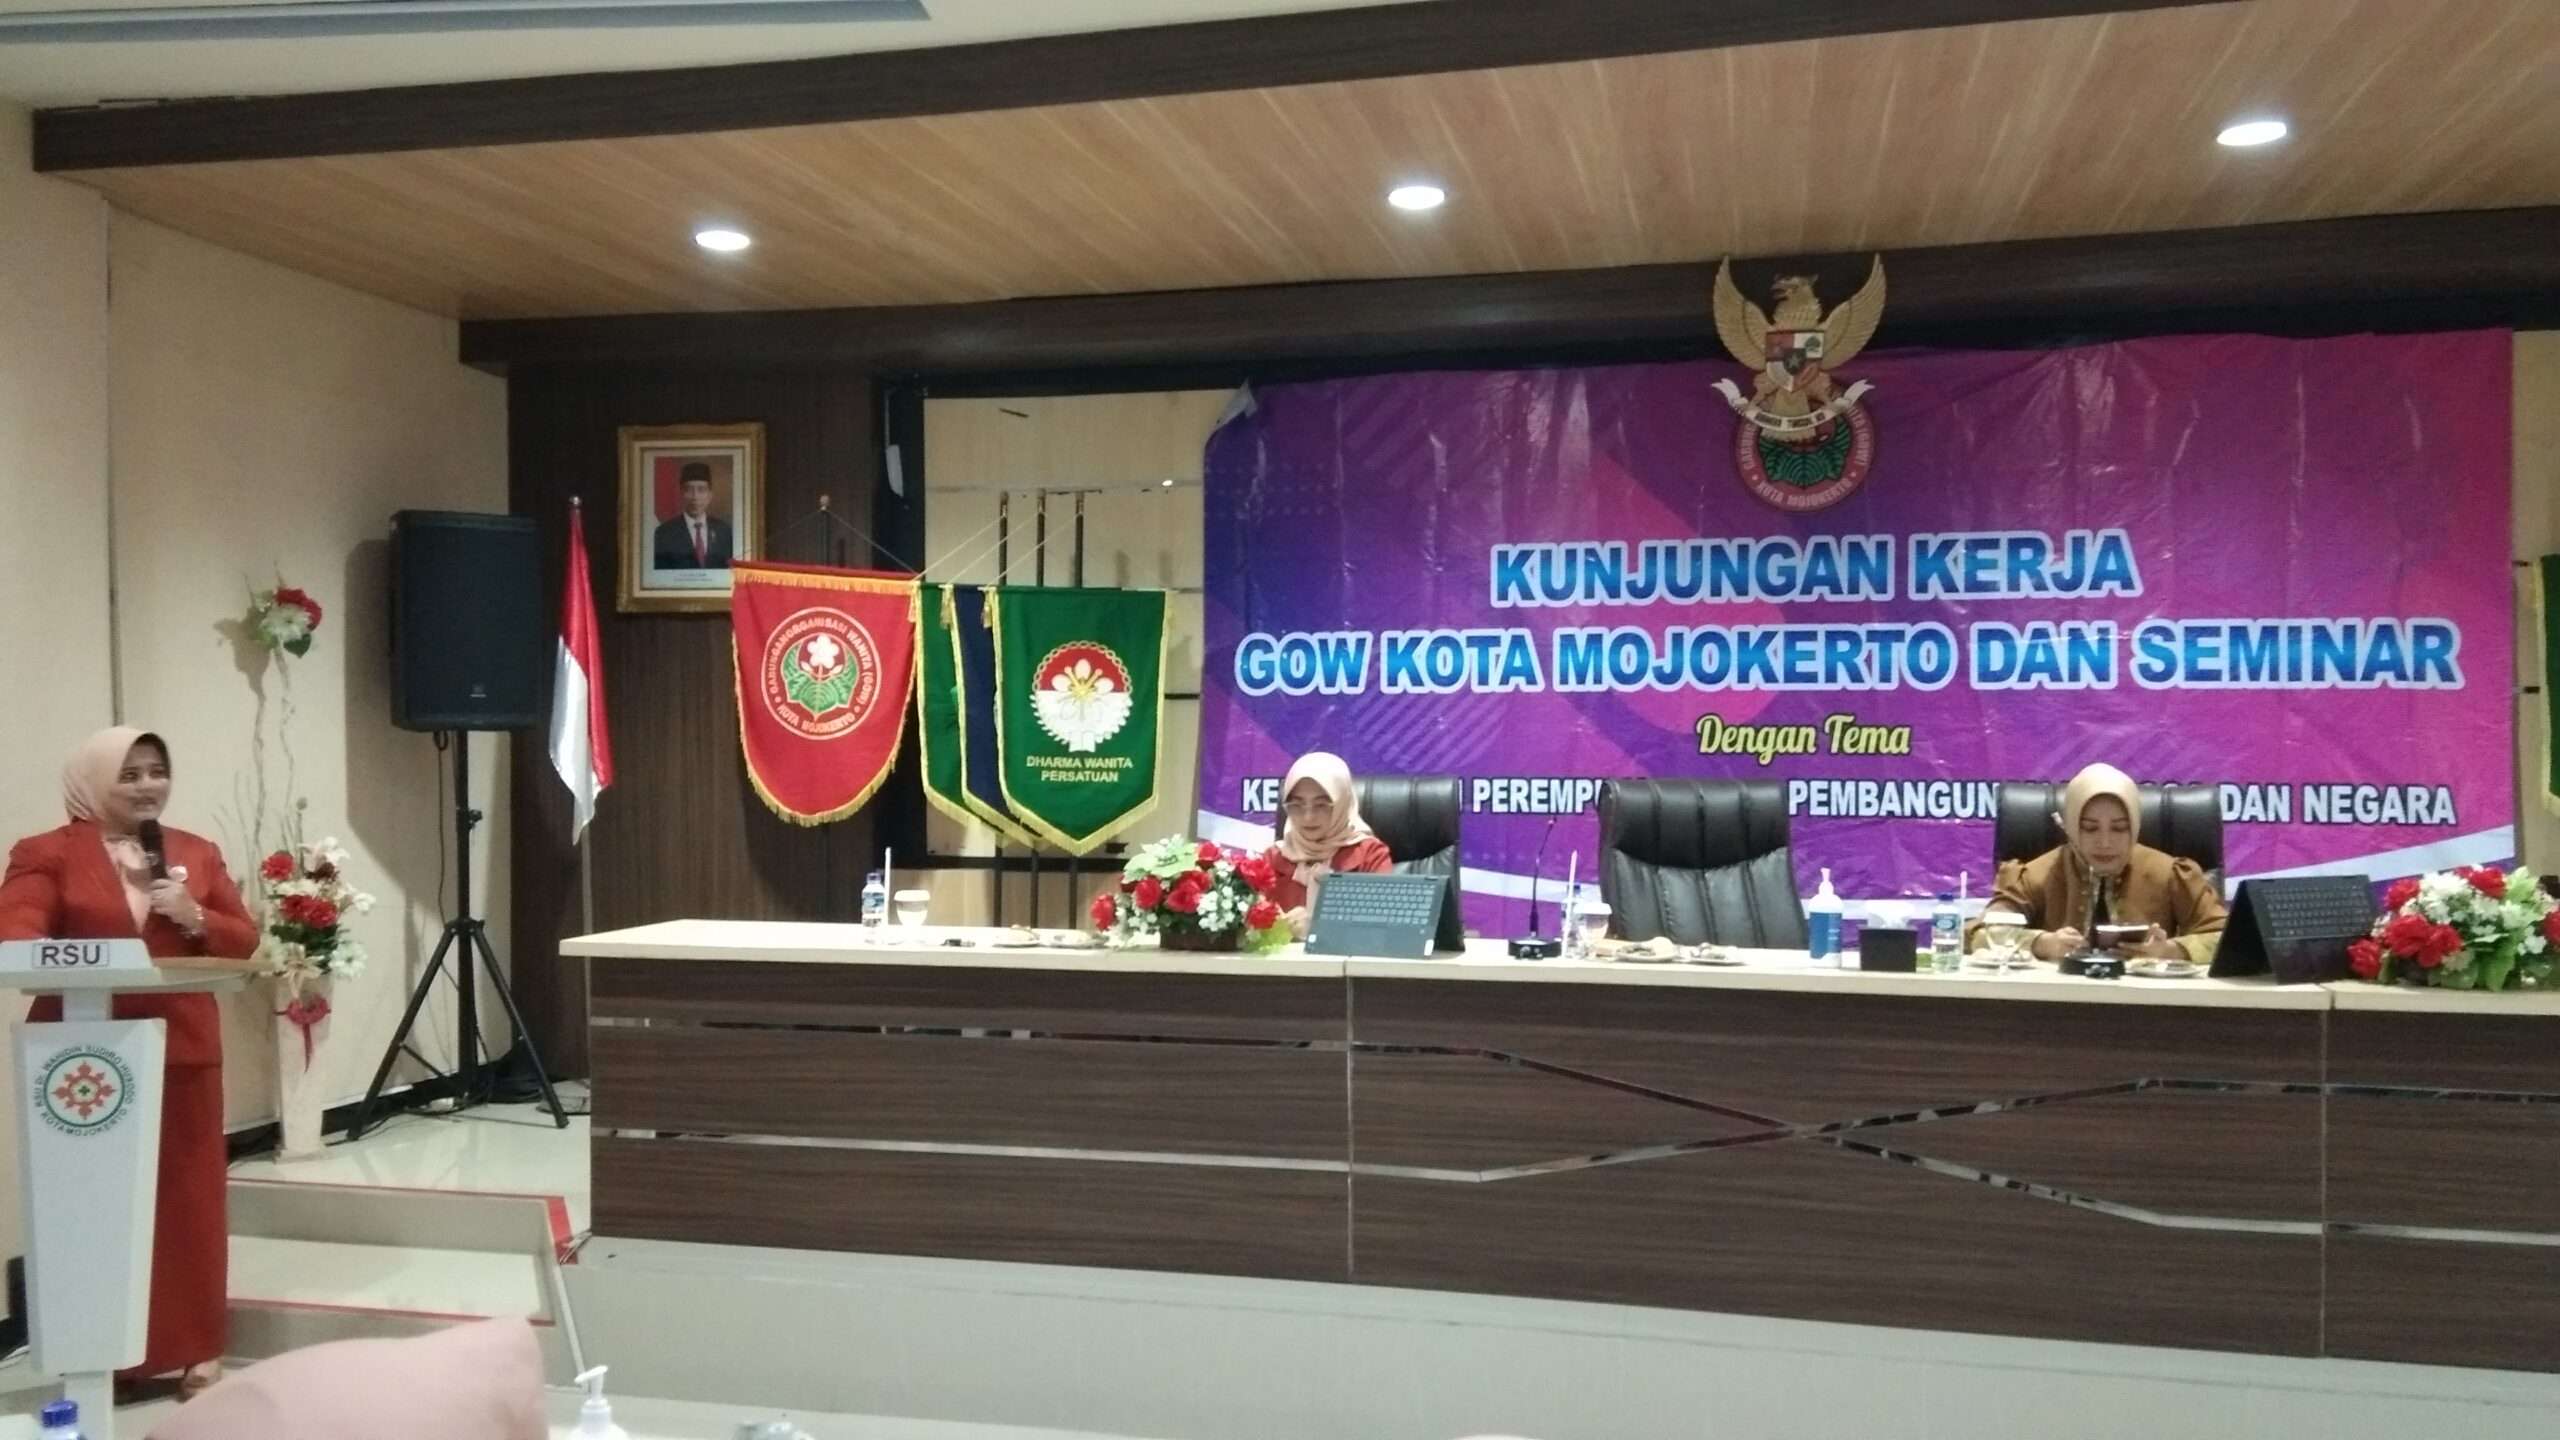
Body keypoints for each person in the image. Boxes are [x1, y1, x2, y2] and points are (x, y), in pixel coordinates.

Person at [1, 727, 258, 1400]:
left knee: (189, 1202)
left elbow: (246, 940)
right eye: (130, 773)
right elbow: (15, 934)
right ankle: (104, 1354)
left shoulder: (196, 852)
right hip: (78, 1059)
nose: (148, 786)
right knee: (88, 1203)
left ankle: (199, 1348)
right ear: (93, 781)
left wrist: (195, 915)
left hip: (182, 1049)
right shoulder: (44, 852)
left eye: (156, 771)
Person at [1970, 762, 2226, 965]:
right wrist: (2041, 943)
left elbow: (2225, 940)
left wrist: (2172, 950)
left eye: (2119, 828)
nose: (2105, 842)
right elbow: (1980, 934)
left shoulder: (2171, 874)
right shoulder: (2036, 874)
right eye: (2090, 829)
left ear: (2135, 827)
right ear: (2071, 828)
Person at [1262, 752, 1394, 937]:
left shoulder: (1370, 854)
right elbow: (1251, 929)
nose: (1308, 817)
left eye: (1321, 805)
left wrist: (1320, 926)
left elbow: (1384, 928)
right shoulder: (1273, 858)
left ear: (1342, 803)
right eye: (1297, 805)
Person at [651, 461, 733, 570]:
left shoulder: (724, 531)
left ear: (710, 495)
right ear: (681, 494)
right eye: (689, 490)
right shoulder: (664, 533)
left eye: (701, 490)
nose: (695, 497)